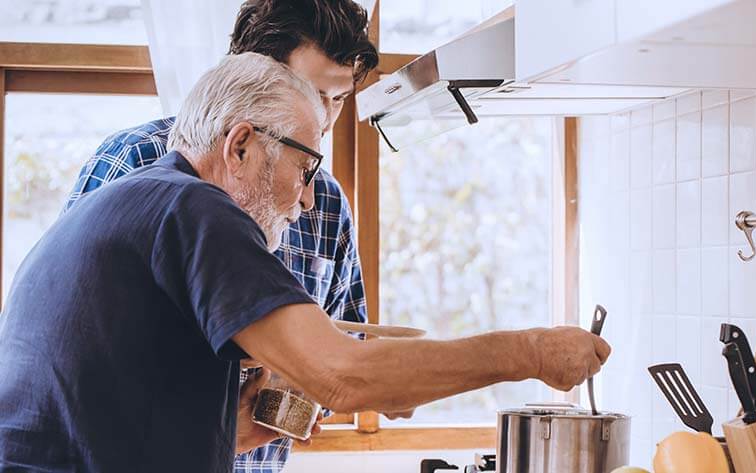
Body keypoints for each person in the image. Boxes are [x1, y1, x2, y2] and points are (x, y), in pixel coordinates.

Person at [0, 53, 610, 472]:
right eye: (305, 165)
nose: (311, 196)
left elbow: (115, 412)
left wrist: (239, 428)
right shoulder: (196, 209)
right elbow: (345, 376)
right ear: (239, 146)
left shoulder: (142, 201)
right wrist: (529, 352)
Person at [62, 0, 377, 469]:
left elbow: (347, 355)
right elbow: (78, 360)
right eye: (313, 93)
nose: (326, 118)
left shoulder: (324, 201)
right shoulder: (135, 165)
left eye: (339, 99)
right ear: (250, 73)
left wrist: (297, 382)